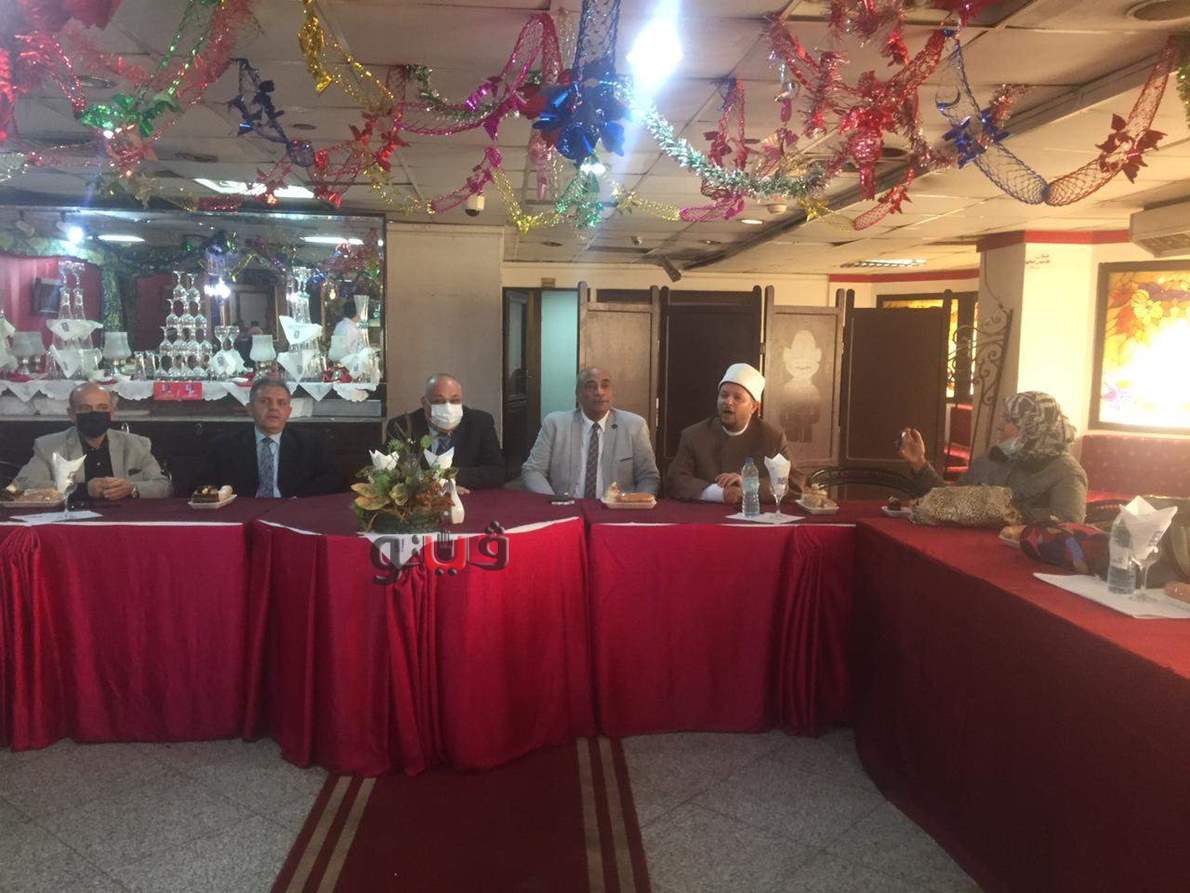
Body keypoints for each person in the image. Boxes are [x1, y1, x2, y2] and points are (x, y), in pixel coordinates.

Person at [898, 390, 1088, 523]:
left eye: (1009, 420)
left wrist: (1005, 511)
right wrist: (919, 463)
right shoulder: (994, 457)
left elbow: (1069, 522)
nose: (999, 426)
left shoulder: (1066, 471)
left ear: (1032, 427)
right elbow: (950, 500)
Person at [666, 362, 798, 505]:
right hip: (705, 514)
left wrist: (748, 485)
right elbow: (676, 480)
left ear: (754, 407)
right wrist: (719, 493)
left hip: (753, 514)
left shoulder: (773, 438)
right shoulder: (694, 435)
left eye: (737, 398)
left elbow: (793, 483)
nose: (728, 402)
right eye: (724, 395)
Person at [14, 382, 172, 499]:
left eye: (102, 408)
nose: (94, 414)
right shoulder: (49, 446)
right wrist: (81, 489)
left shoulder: (136, 444)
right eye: (85, 408)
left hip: (123, 520)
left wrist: (132, 488)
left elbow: (164, 486)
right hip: (73, 522)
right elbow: (20, 487)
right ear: (71, 414)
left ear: (112, 413)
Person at [522, 367, 660, 498]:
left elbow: (648, 477)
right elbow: (533, 470)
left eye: (605, 386)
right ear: (578, 394)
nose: (599, 392)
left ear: (612, 393)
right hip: (565, 507)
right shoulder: (555, 424)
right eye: (590, 386)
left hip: (618, 509)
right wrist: (553, 501)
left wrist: (636, 504)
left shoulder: (634, 425)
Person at [201, 376, 342, 498]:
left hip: (292, 512)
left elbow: (332, 480)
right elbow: (204, 487)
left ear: (289, 411)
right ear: (250, 409)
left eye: (281, 403)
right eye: (265, 401)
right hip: (243, 512)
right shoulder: (224, 446)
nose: (273, 408)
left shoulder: (312, 445)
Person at [386, 373, 505, 493]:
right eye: (439, 401)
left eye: (455, 400)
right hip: (421, 500)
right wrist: (434, 486)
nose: (448, 408)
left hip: (469, 497)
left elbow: (497, 472)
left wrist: (449, 479)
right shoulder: (402, 426)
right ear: (424, 403)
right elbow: (388, 473)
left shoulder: (480, 423)